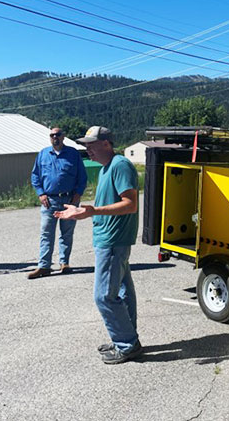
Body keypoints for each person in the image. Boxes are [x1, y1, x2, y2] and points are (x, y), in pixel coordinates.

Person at [55, 126, 141, 365]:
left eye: (91, 144)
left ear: (106, 143)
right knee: (122, 293)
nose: (87, 149)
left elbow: (130, 204)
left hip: (113, 241)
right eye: (85, 145)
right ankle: (126, 338)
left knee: (104, 296)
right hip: (109, 239)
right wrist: (82, 211)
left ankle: (127, 344)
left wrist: (92, 211)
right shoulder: (106, 169)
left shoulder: (120, 165)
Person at [29, 126, 87, 279]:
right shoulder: (43, 154)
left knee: (66, 233)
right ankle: (44, 266)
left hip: (69, 200)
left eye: (58, 135)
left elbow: (82, 177)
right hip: (50, 200)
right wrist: (40, 194)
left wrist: (78, 195)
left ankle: (64, 263)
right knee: (46, 234)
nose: (55, 137)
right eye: (52, 135)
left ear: (63, 137)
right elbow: (35, 176)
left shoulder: (73, 154)